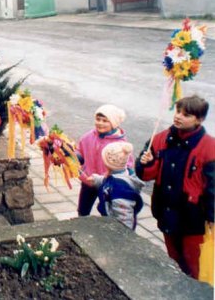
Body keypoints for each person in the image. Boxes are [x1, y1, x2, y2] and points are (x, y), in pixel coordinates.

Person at [136, 95, 214, 279]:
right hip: (166, 211)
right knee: (175, 259)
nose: (178, 116)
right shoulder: (160, 138)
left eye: (186, 114)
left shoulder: (210, 147)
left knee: (195, 265)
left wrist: (212, 217)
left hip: (193, 218)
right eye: (178, 111)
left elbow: (213, 188)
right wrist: (146, 163)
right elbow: (144, 175)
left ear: (199, 120)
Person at [76, 104, 132, 216]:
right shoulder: (88, 137)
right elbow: (80, 152)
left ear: (114, 123)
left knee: (106, 210)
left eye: (105, 121)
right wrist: (72, 156)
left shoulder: (120, 145)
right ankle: (82, 222)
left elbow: (128, 165)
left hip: (107, 185)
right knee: (83, 209)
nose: (100, 123)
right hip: (89, 180)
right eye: (98, 119)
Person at [86, 142, 144, 230]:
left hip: (116, 229)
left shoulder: (120, 190)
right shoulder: (119, 174)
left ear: (108, 163)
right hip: (110, 220)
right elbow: (108, 182)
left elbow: (125, 217)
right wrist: (96, 180)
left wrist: (123, 234)